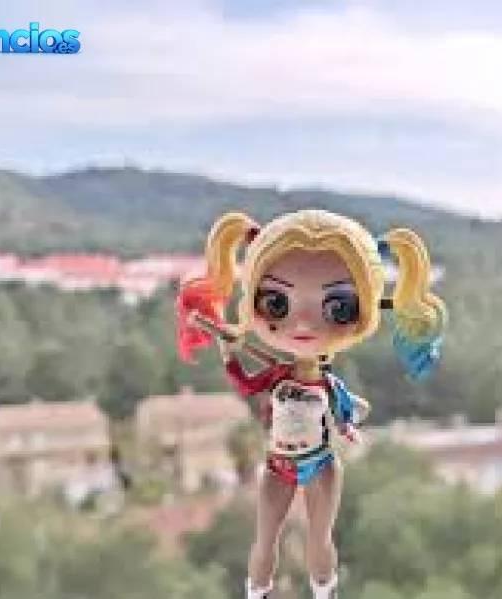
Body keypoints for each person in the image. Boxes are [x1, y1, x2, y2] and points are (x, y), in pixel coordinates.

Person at [177, 210, 446, 598]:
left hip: (319, 463)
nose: (302, 325)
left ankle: (324, 591)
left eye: (339, 308)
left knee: (319, 541)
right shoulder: (277, 377)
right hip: (279, 463)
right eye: (276, 302)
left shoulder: (329, 385)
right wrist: (228, 353)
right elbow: (246, 384)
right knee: (265, 538)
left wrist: (347, 422)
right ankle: (257, 591)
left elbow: (353, 411)